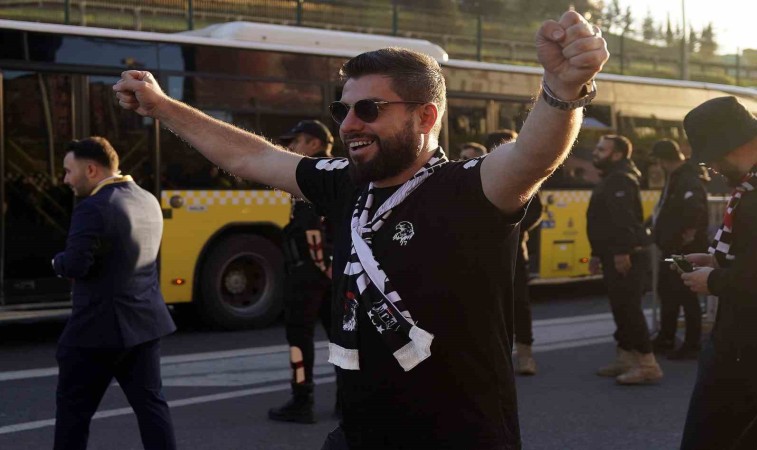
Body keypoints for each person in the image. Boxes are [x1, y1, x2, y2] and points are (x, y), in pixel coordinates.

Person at [114, 11, 608, 448]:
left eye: (368, 109)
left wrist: (563, 89)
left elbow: (532, 156)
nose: (349, 124)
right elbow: (252, 156)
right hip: (358, 435)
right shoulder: (345, 182)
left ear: (426, 116)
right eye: (342, 109)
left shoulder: (467, 186)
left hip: (459, 437)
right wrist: (162, 106)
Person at [52, 137, 177, 450]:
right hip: (144, 324)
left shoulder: (93, 208)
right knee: (152, 407)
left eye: (68, 171)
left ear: (91, 170)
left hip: (96, 329)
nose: (65, 180)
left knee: (73, 414)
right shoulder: (148, 199)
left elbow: (76, 264)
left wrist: (57, 262)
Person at [678, 96, 757, 450]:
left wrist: (713, 280)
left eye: (709, 158)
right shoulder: (752, 185)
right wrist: (718, 262)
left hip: (745, 345)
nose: (711, 167)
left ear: (731, 144)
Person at [269, 120, 335, 424]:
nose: (291, 147)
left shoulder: (312, 176)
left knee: (299, 338)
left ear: (314, 144)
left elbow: (311, 231)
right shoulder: (337, 174)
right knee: (340, 340)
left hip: (308, 276)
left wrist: (323, 267)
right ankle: (346, 401)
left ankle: (301, 400)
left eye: (296, 142)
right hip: (331, 274)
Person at [587, 134, 663, 385]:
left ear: (617, 154)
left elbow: (623, 220)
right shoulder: (613, 177)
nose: (595, 152)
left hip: (627, 255)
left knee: (629, 310)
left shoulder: (620, 179)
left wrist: (622, 252)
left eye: (602, 149)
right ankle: (626, 358)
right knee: (621, 308)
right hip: (614, 253)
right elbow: (603, 222)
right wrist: (597, 253)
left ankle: (648, 365)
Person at [486, 129, 543, 376]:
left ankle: (525, 354)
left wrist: (509, 226)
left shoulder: (526, 176)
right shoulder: (479, 174)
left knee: (519, 302)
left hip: (515, 249)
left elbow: (536, 211)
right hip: (484, 251)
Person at [649, 138, 708, 360]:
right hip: (673, 248)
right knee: (668, 292)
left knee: (686, 295)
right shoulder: (676, 177)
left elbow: (695, 211)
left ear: (663, 160)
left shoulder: (687, 179)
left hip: (683, 251)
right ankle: (666, 337)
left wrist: (685, 239)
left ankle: (692, 344)